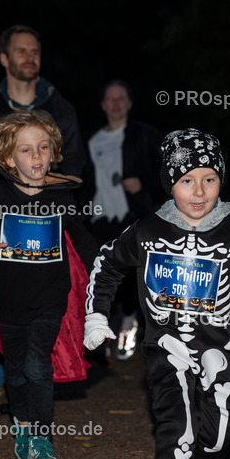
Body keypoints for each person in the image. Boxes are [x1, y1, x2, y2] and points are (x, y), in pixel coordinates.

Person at [83, 128, 230, 459]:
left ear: (222, 181)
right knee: (177, 426)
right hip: (166, 346)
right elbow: (108, 264)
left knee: (221, 441)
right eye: (187, 180)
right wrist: (98, 316)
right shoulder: (147, 231)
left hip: (219, 347)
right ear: (170, 184)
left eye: (209, 178)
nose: (199, 190)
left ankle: (218, 396)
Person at [0, 24, 87, 416]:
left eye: (35, 51)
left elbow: (75, 163)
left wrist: (55, 193)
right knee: (0, 302)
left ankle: (36, 379)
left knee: (44, 303)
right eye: (21, 51)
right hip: (1, 230)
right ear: (5, 59)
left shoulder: (60, 109)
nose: (30, 57)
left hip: (46, 223)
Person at [0, 110, 96, 459]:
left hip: (51, 297)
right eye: (26, 150)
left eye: (43, 148)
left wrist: (102, 270)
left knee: (39, 365)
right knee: (16, 368)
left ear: (53, 153)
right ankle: (21, 423)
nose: (36, 157)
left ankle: (40, 436)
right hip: (10, 299)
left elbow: (83, 239)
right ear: (9, 158)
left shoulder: (61, 197)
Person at [82, 80, 163, 359]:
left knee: (130, 275)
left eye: (121, 98)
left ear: (129, 103)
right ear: (103, 104)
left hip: (132, 215)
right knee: (99, 274)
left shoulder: (145, 135)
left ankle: (129, 322)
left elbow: (170, 174)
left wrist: (143, 183)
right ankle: (100, 330)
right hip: (97, 217)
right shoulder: (88, 138)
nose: (115, 103)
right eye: (110, 98)